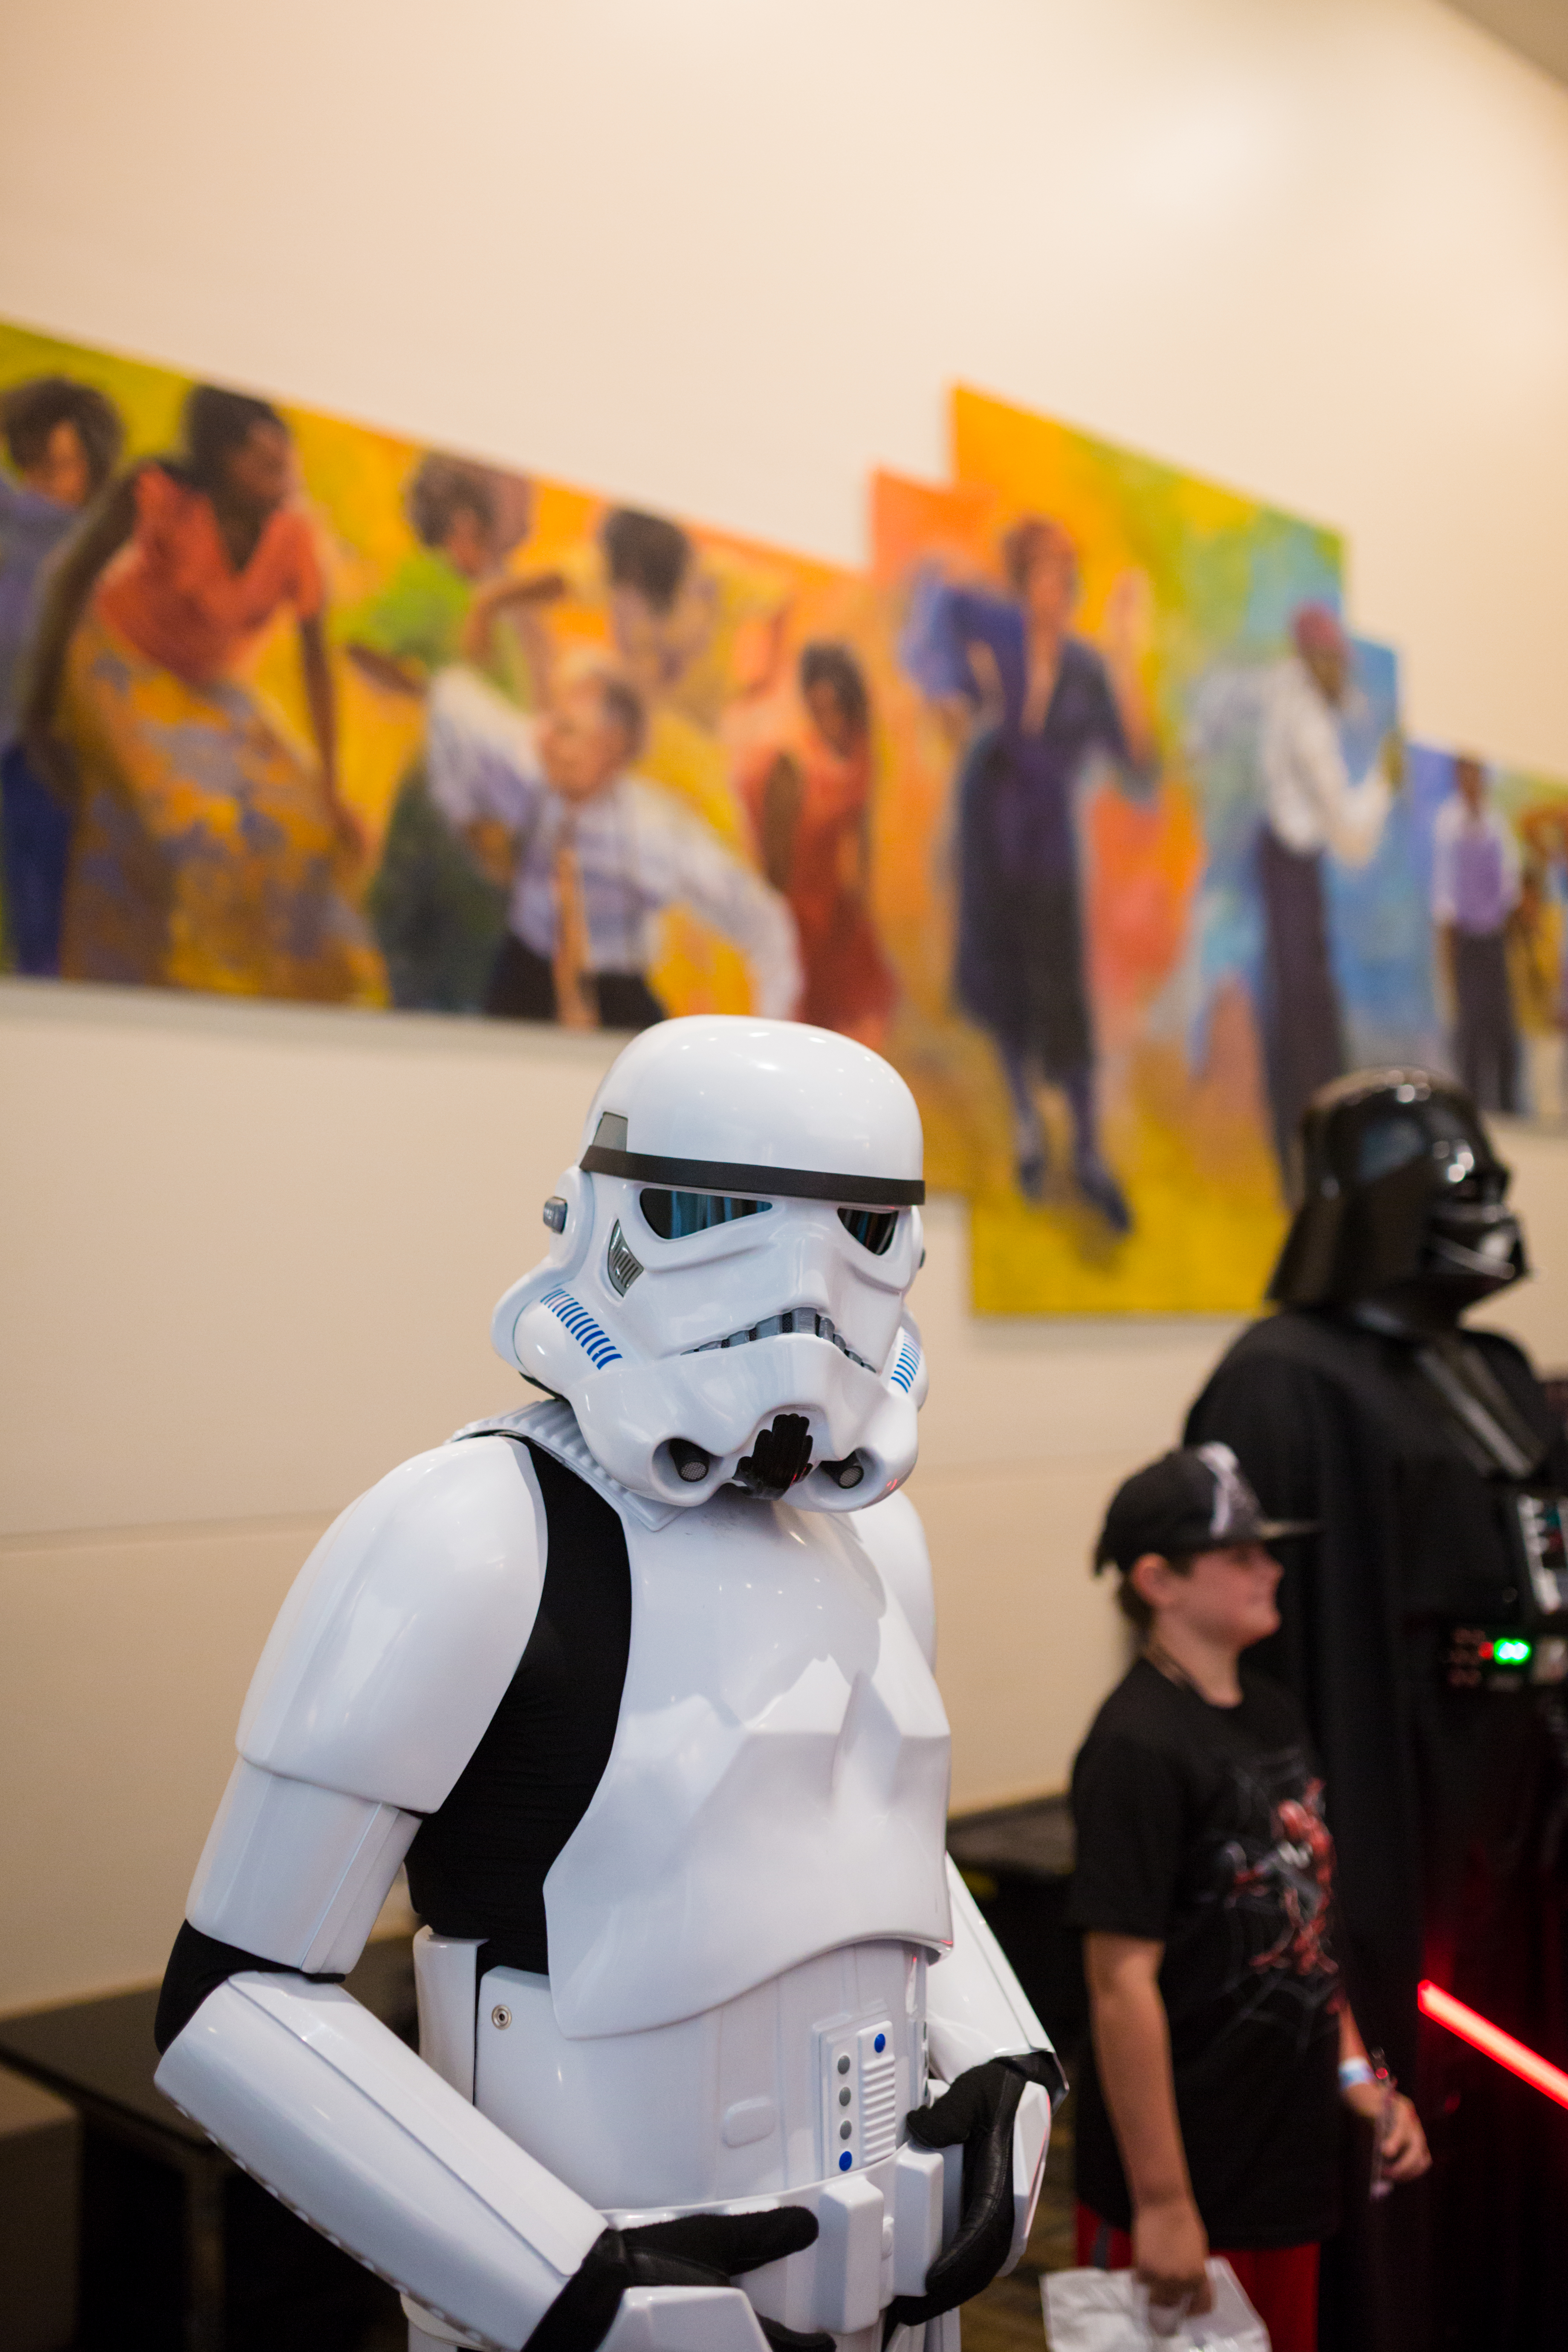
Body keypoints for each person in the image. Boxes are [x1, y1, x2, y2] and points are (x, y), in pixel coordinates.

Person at [150, 1014, 1064, 2352]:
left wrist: (1003, 2070)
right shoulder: (468, 1533)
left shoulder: (877, 1545)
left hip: (894, 2297)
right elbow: (234, 1997)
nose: (798, 1288)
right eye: (716, 1213)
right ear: (593, 1221)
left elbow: (885, 1859)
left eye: (856, 1230)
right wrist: (579, 2286)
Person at [1185, 1068, 1568, 2352]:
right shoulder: (1281, 1383)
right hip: (1385, 1807)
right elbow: (1247, 1633)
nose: (1493, 1206)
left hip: (1519, 1807)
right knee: (1405, 2102)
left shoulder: (1496, 1367)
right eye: (1462, 1178)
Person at [1072, 1443, 1429, 2352]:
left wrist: (1362, 2080)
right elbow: (1121, 1986)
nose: (1270, 1567)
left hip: (1287, 2172)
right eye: (1241, 1554)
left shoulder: (1273, 1711)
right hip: (1187, 2180)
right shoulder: (1136, 1745)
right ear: (1159, 1578)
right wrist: (1162, 2202)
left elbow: (1305, 1929)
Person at [21, 383, 383, 1003]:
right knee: (196, 826)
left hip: (209, 690)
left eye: (286, 461)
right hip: (119, 666)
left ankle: (287, 997)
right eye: (266, 465)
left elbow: (316, 664)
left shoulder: (294, 534)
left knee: (301, 829)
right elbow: (71, 582)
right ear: (222, 464)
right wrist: (40, 715)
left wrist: (329, 784)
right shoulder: (163, 498)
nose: (285, 477)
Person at [900, 518, 1156, 1232]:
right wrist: (952, 690)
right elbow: (932, 608)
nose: (1061, 582)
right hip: (988, 832)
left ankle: (1086, 1151)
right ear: (1021, 577)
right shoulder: (993, 624)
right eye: (1047, 568)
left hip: (1046, 848)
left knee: (1060, 998)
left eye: (1069, 569)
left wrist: (1127, 659)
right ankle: (1025, 1130)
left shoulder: (1086, 665)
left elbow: (1138, 768)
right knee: (1003, 986)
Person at [428, 657, 801, 1027]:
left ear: (612, 747)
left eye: (567, 730)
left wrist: (773, 1028)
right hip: (524, 976)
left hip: (614, 994)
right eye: (550, 722)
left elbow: (766, 924)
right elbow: (450, 695)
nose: (544, 738)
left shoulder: (656, 832)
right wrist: (465, 817)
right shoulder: (529, 771)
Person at [347, 451, 564, 1012]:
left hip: (491, 816)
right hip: (447, 811)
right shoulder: (433, 580)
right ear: (467, 523)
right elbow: (362, 641)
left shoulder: (490, 596)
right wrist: (428, 695)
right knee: (431, 947)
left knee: (470, 957)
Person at [1256, 607, 1400, 1186]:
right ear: (1315, 660)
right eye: (1335, 662)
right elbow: (1350, 838)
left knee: (1296, 1026)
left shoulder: (1288, 694)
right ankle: (1317, 1170)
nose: (1343, 675)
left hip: (1284, 872)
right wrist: (1385, 780)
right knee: (1308, 1029)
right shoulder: (1309, 722)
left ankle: (1305, 1166)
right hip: (1293, 876)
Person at [0, 374, 123, 972]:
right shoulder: (14, 521)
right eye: (30, 469)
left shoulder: (107, 554)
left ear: (96, 473)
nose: (38, 487)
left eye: (56, 470)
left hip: (48, 755)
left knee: (43, 923)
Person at [741, 641, 897, 1047]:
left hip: (832, 897)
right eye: (817, 706)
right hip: (795, 895)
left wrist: (861, 885)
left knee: (855, 1010)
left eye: (835, 706)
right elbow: (774, 856)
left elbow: (861, 824)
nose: (827, 718)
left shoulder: (860, 744)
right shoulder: (792, 763)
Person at [1431, 756, 1522, 1114]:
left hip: (1494, 940)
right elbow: (1444, 900)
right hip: (1466, 940)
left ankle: (1507, 1106)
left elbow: (1509, 890)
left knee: (1501, 1031)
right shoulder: (1448, 826)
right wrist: (1448, 961)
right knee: (1469, 1031)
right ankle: (1472, 1108)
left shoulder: (1496, 825)